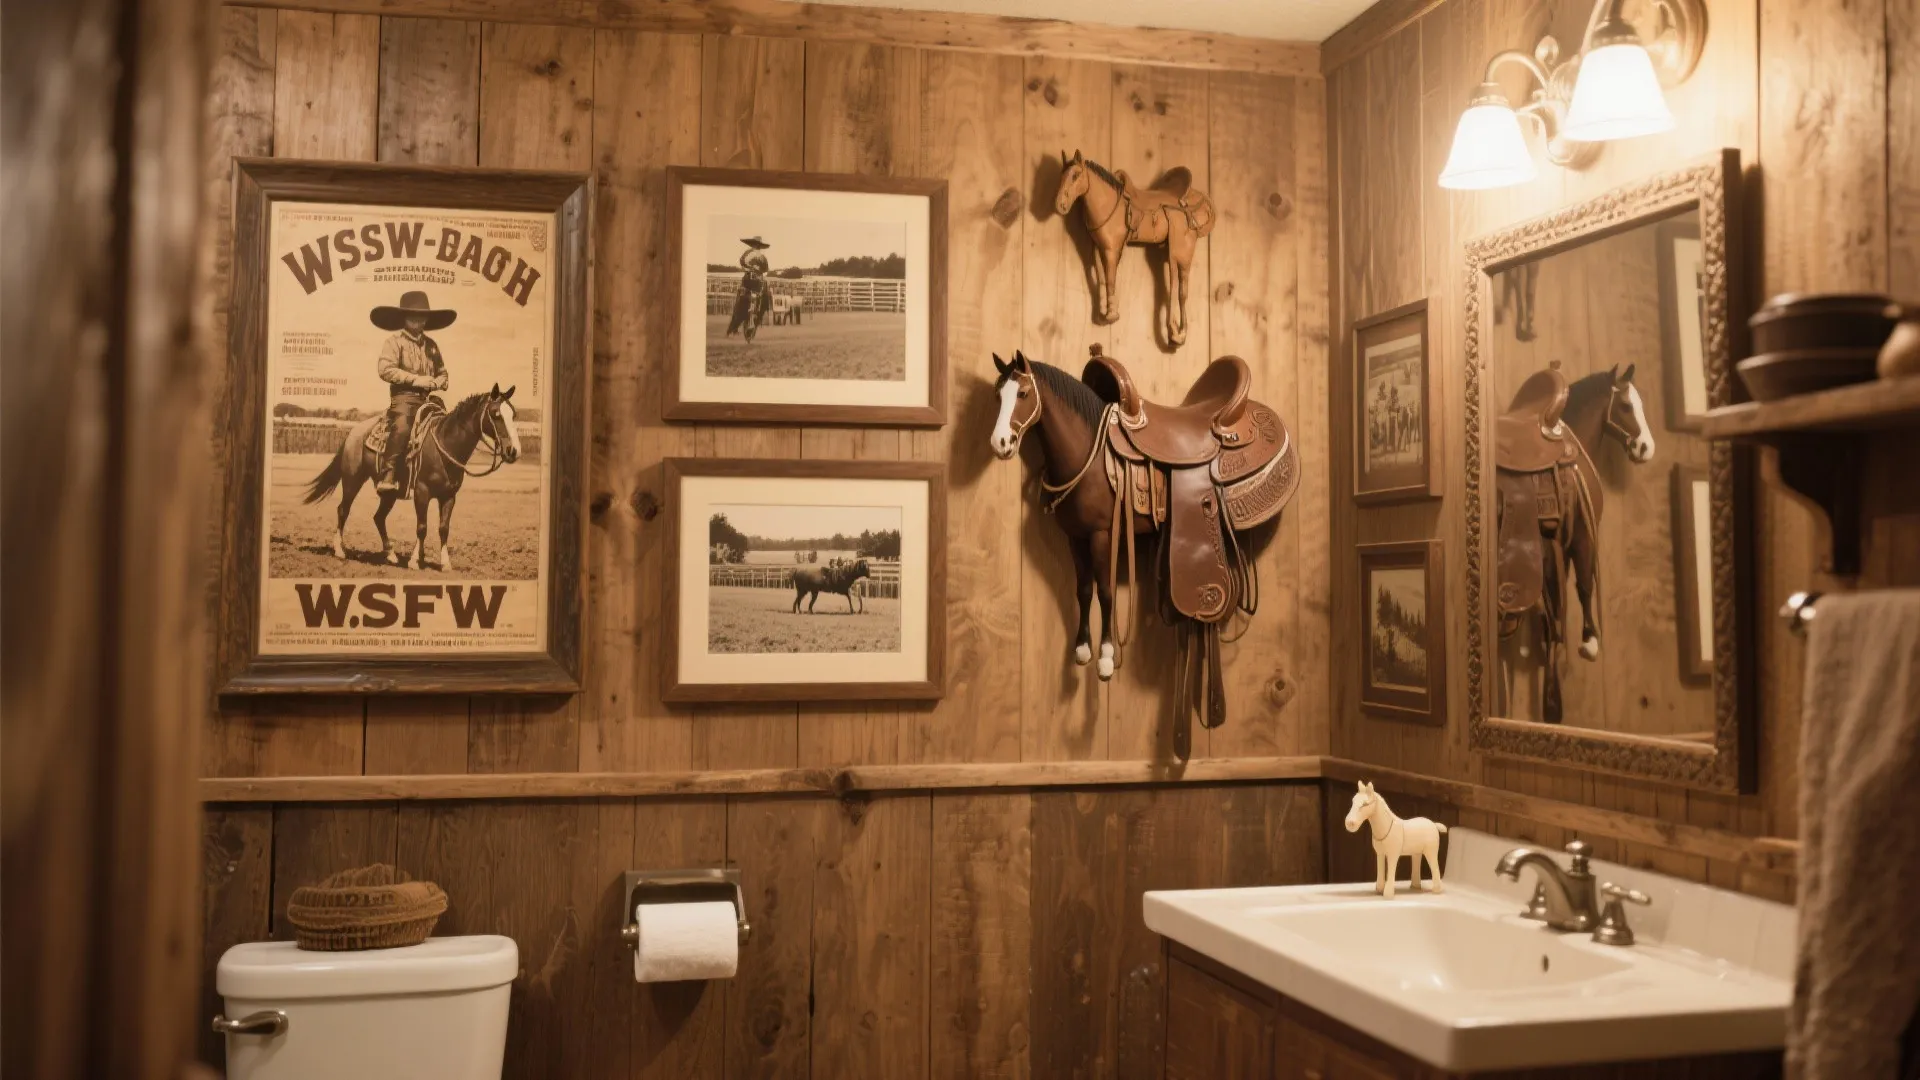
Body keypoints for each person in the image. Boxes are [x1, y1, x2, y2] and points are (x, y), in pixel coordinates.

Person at [369, 290, 455, 493]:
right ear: (404, 318)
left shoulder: (432, 346)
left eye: (423, 316)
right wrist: (417, 380)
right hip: (403, 398)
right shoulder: (394, 342)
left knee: (448, 425)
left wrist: (440, 381)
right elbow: (385, 370)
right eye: (413, 316)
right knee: (402, 427)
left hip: (428, 399)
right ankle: (388, 475)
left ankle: (444, 473)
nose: (419, 320)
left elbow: (442, 371)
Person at [726, 236, 772, 339]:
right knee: (764, 299)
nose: (757, 247)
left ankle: (743, 322)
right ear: (759, 245)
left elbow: (742, 263)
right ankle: (757, 314)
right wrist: (756, 270)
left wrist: (749, 269)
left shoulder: (747, 254)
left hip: (749, 279)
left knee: (744, 300)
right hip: (757, 281)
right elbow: (765, 270)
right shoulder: (762, 257)